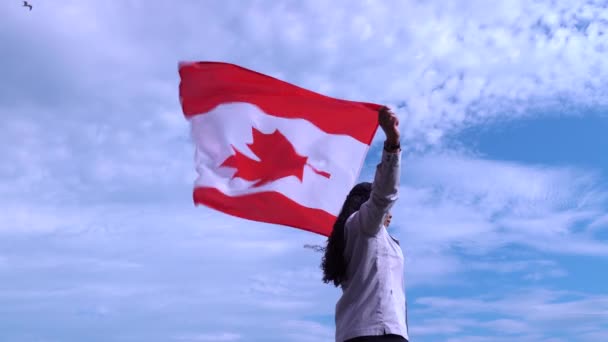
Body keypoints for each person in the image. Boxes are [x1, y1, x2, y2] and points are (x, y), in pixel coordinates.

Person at [321, 107, 408, 342]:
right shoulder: (363, 226)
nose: (389, 215)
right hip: (374, 332)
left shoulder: (362, 236)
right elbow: (383, 195)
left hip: (377, 331)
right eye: (385, 210)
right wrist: (392, 143)